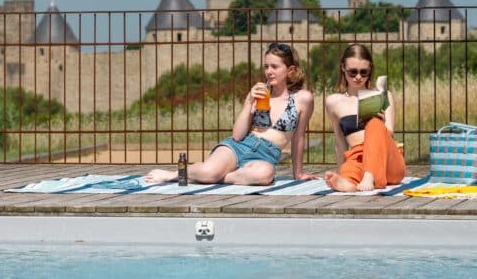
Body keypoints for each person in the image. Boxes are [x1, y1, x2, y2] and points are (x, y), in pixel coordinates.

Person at [145, 42, 317, 185]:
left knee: (265, 174)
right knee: (209, 171)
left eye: (274, 66)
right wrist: (249, 101)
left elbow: (298, 138)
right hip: (240, 146)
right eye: (266, 66)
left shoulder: (303, 98)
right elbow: (237, 135)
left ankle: (217, 178)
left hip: (266, 155)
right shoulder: (259, 92)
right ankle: (175, 174)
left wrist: (298, 173)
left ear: (290, 70)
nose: (268, 71)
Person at [323, 43, 405, 192]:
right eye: (352, 72)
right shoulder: (334, 101)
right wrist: (341, 170)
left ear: (370, 70)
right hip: (357, 156)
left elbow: (390, 133)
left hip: (388, 159)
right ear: (343, 68)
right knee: (350, 168)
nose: (358, 77)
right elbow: (340, 141)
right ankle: (348, 182)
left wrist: (381, 122)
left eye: (364, 72)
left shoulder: (383, 95)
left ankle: (370, 175)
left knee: (374, 122)